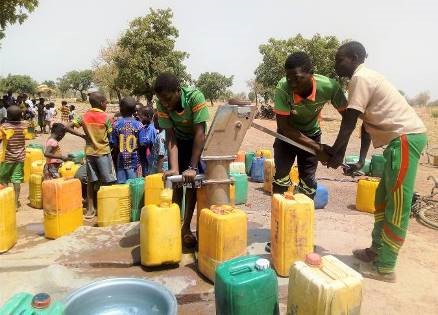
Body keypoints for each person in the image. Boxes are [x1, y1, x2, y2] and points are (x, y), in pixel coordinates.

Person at [327, 41, 427, 282]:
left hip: (405, 139)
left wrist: (335, 153)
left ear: (354, 57)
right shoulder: (364, 79)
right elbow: (365, 126)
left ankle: (386, 267)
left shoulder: (360, 78)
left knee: (397, 205)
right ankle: (376, 250)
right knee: (382, 200)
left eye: (339, 59)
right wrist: (361, 161)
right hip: (397, 141)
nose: (335, 64)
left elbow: (349, 122)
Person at [272, 52, 347, 197]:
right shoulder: (283, 88)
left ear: (311, 74)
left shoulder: (330, 86)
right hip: (287, 135)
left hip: (311, 134)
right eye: (289, 78)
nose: (292, 84)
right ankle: (278, 217)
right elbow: (284, 127)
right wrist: (318, 148)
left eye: (298, 79)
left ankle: (302, 218)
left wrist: (337, 152)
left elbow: (348, 118)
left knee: (308, 181)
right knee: (280, 176)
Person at [155, 73, 209, 248]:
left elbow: (200, 132)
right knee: (177, 184)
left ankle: (186, 227)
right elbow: (170, 136)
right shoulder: (161, 103)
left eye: (168, 99)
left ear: (177, 91)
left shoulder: (195, 97)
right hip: (178, 141)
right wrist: (174, 168)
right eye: (161, 100)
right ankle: (175, 225)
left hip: (196, 142)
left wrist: (192, 167)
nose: (165, 103)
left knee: (192, 185)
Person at [67, 92, 116, 211]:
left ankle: (90, 208)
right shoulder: (106, 117)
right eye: (105, 102)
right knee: (107, 180)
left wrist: (83, 136)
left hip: (89, 152)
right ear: (101, 103)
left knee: (90, 181)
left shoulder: (83, 116)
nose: (106, 104)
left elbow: (67, 127)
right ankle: (104, 207)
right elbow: (111, 136)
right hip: (103, 152)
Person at [0, 105, 31, 208]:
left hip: (7, 158)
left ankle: (6, 201)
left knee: (3, 178)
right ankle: (15, 203)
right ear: (20, 115)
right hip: (20, 158)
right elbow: (30, 136)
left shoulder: (4, 126)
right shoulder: (24, 125)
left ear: (8, 116)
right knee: (16, 179)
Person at [110, 97, 143, 183]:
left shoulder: (116, 125)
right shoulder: (139, 125)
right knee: (135, 185)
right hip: (135, 161)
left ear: (120, 109)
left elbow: (114, 144)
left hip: (121, 161)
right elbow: (142, 143)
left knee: (122, 185)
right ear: (134, 110)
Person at [137, 106, 156, 176]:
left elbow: (144, 143)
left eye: (141, 116)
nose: (140, 118)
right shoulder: (146, 127)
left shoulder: (151, 129)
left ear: (147, 116)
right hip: (146, 159)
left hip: (150, 158)